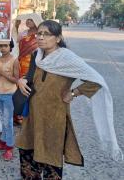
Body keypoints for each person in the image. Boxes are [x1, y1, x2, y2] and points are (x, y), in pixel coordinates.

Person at [16, 20, 122, 179]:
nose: (41, 37)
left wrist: (74, 92)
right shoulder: (36, 55)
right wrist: (21, 80)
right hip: (32, 115)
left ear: (58, 38)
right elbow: (30, 78)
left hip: (54, 118)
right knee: (27, 151)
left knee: (51, 155)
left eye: (46, 34)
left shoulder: (67, 59)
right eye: (39, 33)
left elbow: (96, 80)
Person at [0, 40, 19, 161]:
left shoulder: (15, 60)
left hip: (9, 94)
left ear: (10, 46)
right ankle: (2, 141)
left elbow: (16, 80)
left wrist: (3, 73)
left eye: (5, 46)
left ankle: (9, 147)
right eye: (0, 46)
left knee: (8, 122)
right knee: (2, 120)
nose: (2, 48)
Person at [15, 17, 42, 124]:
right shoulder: (23, 33)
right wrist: (16, 28)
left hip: (33, 63)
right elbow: (16, 43)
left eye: (31, 20)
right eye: (27, 20)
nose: (28, 22)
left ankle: (29, 114)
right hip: (21, 61)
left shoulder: (40, 34)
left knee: (30, 87)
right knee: (19, 87)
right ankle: (18, 113)